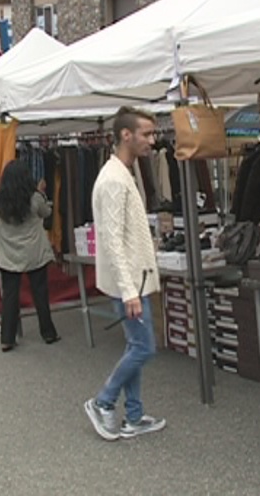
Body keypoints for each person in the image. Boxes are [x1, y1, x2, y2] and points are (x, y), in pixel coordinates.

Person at [84, 107, 165, 441]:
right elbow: (112, 240)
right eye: (146, 134)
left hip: (133, 279)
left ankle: (133, 415)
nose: (152, 140)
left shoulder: (121, 173)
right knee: (144, 347)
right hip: (129, 282)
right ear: (126, 135)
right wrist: (129, 291)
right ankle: (102, 402)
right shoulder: (115, 180)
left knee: (136, 344)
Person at [0, 160, 60, 352]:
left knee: (10, 298)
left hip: (9, 255)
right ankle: (48, 333)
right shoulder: (34, 198)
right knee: (40, 294)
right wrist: (42, 192)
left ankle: (7, 338)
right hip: (34, 253)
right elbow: (46, 213)